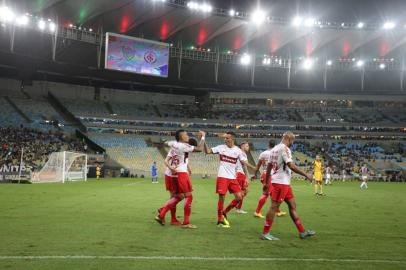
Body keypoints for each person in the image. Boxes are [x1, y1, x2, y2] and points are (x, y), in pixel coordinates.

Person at [261, 132, 315, 241]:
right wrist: (306, 174)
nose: (292, 143)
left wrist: (267, 182)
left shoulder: (274, 149)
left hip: (284, 182)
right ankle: (265, 233)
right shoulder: (284, 149)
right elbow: (291, 165)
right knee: (274, 207)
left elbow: (269, 167)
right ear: (288, 139)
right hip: (281, 183)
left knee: (292, 205)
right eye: (292, 141)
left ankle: (302, 231)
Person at [204, 132, 256, 228]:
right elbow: (207, 151)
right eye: (225, 138)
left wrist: (253, 167)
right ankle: (219, 220)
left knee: (239, 197)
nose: (225, 139)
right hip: (222, 176)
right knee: (222, 198)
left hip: (232, 177)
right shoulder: (221, 147)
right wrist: (203, 139)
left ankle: (224, 212)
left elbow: (243, 161)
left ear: (232, 139)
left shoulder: (238, 150)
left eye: (227, 138)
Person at [155, 130, 205, 229]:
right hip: (181, 173)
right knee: (188, 197)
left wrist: (163, 142)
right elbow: (200, 149)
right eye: (186, 134)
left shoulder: (174, 144)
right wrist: (203, 137)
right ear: (181, 137)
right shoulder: (183, 146)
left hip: (175, 173)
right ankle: (186, 223)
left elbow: (167, 142)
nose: (187, 135)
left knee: (178, 197)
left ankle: (162, 214)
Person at [253, 140, 286, 218]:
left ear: (268, 144)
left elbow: (257, 166)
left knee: (272, 194)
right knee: (266, 194)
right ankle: (257, 212)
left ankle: (277, 211)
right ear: (275, 146)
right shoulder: (276, 154)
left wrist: (255, 175)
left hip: (264, 174)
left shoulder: (263, 153)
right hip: (270, 176)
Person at [230, 142, 250, 214]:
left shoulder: (241, 153)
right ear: (242, 146)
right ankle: (237, 207)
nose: (248, 147)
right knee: (243, 191)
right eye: (247, 146)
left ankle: (238, 206)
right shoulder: (242, 153)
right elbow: (245, 164)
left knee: (245, 191)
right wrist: (247, 176)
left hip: (240, 174)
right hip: (240, 174)